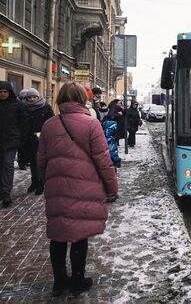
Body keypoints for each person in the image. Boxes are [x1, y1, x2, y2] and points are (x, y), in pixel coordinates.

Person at [37, 82, 118, 296]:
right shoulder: (91, 124)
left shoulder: (49, 125)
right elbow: (103, 160)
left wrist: (49, 181)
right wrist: (112, 187)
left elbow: (42, 160)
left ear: (60, 99)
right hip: (85, 186)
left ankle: (59, 282)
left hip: (57, 187)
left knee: (58, 235)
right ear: (83, 99)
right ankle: (78, 281)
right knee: (79, 236)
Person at [0, 82, 29, 207]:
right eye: (0, 92)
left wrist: (22, 139)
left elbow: (24, 123)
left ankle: (6, 192)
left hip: (11, 141)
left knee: (8, 165)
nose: (2, 94)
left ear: (9, 92)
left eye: (5, 92)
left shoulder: (18, 105)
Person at [22, 88, 54, 195]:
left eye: (34, 97)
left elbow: (52, 122)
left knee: (40, 162)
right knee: (32, 162)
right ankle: (34, 181)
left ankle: (41, 183)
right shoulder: (24, 107)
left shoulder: (46, 107)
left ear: (38, 96)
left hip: (42, 139)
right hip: (29, 140)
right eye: (29, 97)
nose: (32, 99)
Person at [17, 89, 30, 170]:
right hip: (21, 129)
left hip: (24, 128)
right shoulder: (19, 105)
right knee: (22, 147)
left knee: (23, 147)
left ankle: (23, 161)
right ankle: (22, 162)